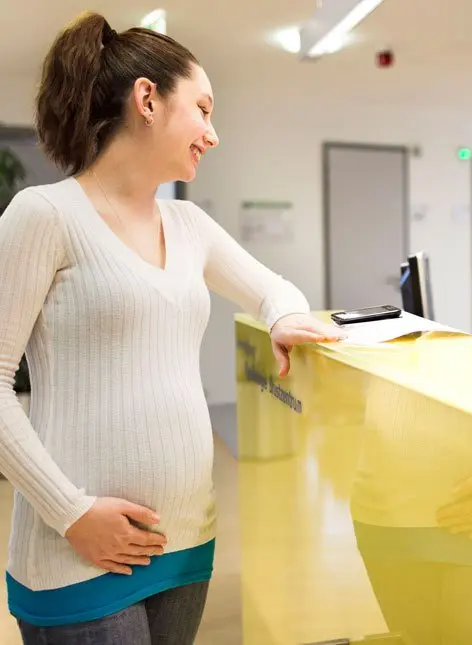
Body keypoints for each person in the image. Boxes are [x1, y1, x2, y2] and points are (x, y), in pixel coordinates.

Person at [0, 11, 343, 644]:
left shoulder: (188, 227)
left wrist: (285, 315)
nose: (213, 134)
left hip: (188, 543)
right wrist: (71, 513)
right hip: (79, 557)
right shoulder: (43, 214)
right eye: (204, 109)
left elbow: (273, 286)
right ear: (148, 99)